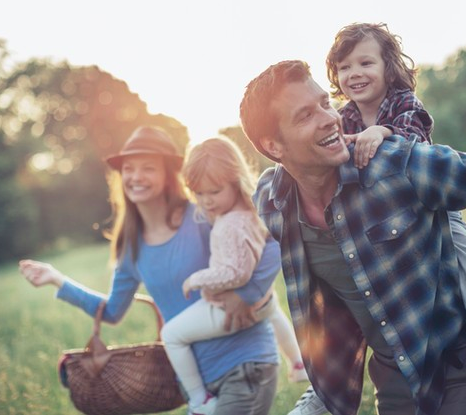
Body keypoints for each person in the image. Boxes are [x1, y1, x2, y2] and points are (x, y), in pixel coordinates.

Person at [239, 60, 466, 415]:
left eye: (325, 103)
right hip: (392, 382)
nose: (329, 118)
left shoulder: (394, 166)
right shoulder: (273, 203)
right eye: (305, 116)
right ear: (274, 146)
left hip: (456, 370)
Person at [18, 126, 281, 415]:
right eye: (129, 169)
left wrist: (247, 292)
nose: (136, 176)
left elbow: (272, 243)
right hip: (197, 385)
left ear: (169, 175)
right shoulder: (130, 248)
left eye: (148, 168)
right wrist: (58, 281)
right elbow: (112, 312)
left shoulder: (200, 215)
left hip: (243, 363)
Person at [160, 137, 307, 413]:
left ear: (235, 181)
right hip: (262, 305)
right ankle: (298, 362)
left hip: (226, 308)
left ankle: (197, 398)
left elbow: (235, 274)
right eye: (198, 193)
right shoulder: (252, 212)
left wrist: (197, 279)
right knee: (273, 307)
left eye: (213, 192)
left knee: (171, 335)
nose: (205, 201)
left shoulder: (230, 224)